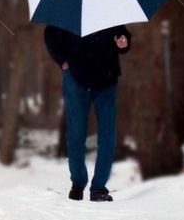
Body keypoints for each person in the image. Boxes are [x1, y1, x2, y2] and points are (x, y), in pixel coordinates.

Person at [44, 24, 132, 202]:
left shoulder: (110, 5)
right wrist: (62, 60)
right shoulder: (67, 3)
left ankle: (99, 188)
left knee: (108, 135)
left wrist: (123, 42)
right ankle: (78, 182)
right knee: (76, 134)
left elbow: (122, 33)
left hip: (107, 77)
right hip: (76, 77)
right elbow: (51, 33)